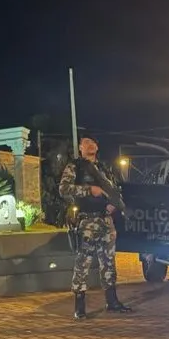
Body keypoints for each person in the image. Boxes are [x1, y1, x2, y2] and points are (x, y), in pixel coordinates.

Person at [58, 135, 132, 320]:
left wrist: (114, 205)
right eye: (86, 143)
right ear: (80, 148)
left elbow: (115, 190)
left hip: (106, 220)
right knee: (83, 262)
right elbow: (64, 189)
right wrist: (88, 190)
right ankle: (80, 306)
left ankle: (112, 301)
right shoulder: (75, 167)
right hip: (87, 221)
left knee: (108, 262)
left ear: (97, 147)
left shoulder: (104, 168)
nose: (90, 145)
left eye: (93, 142)